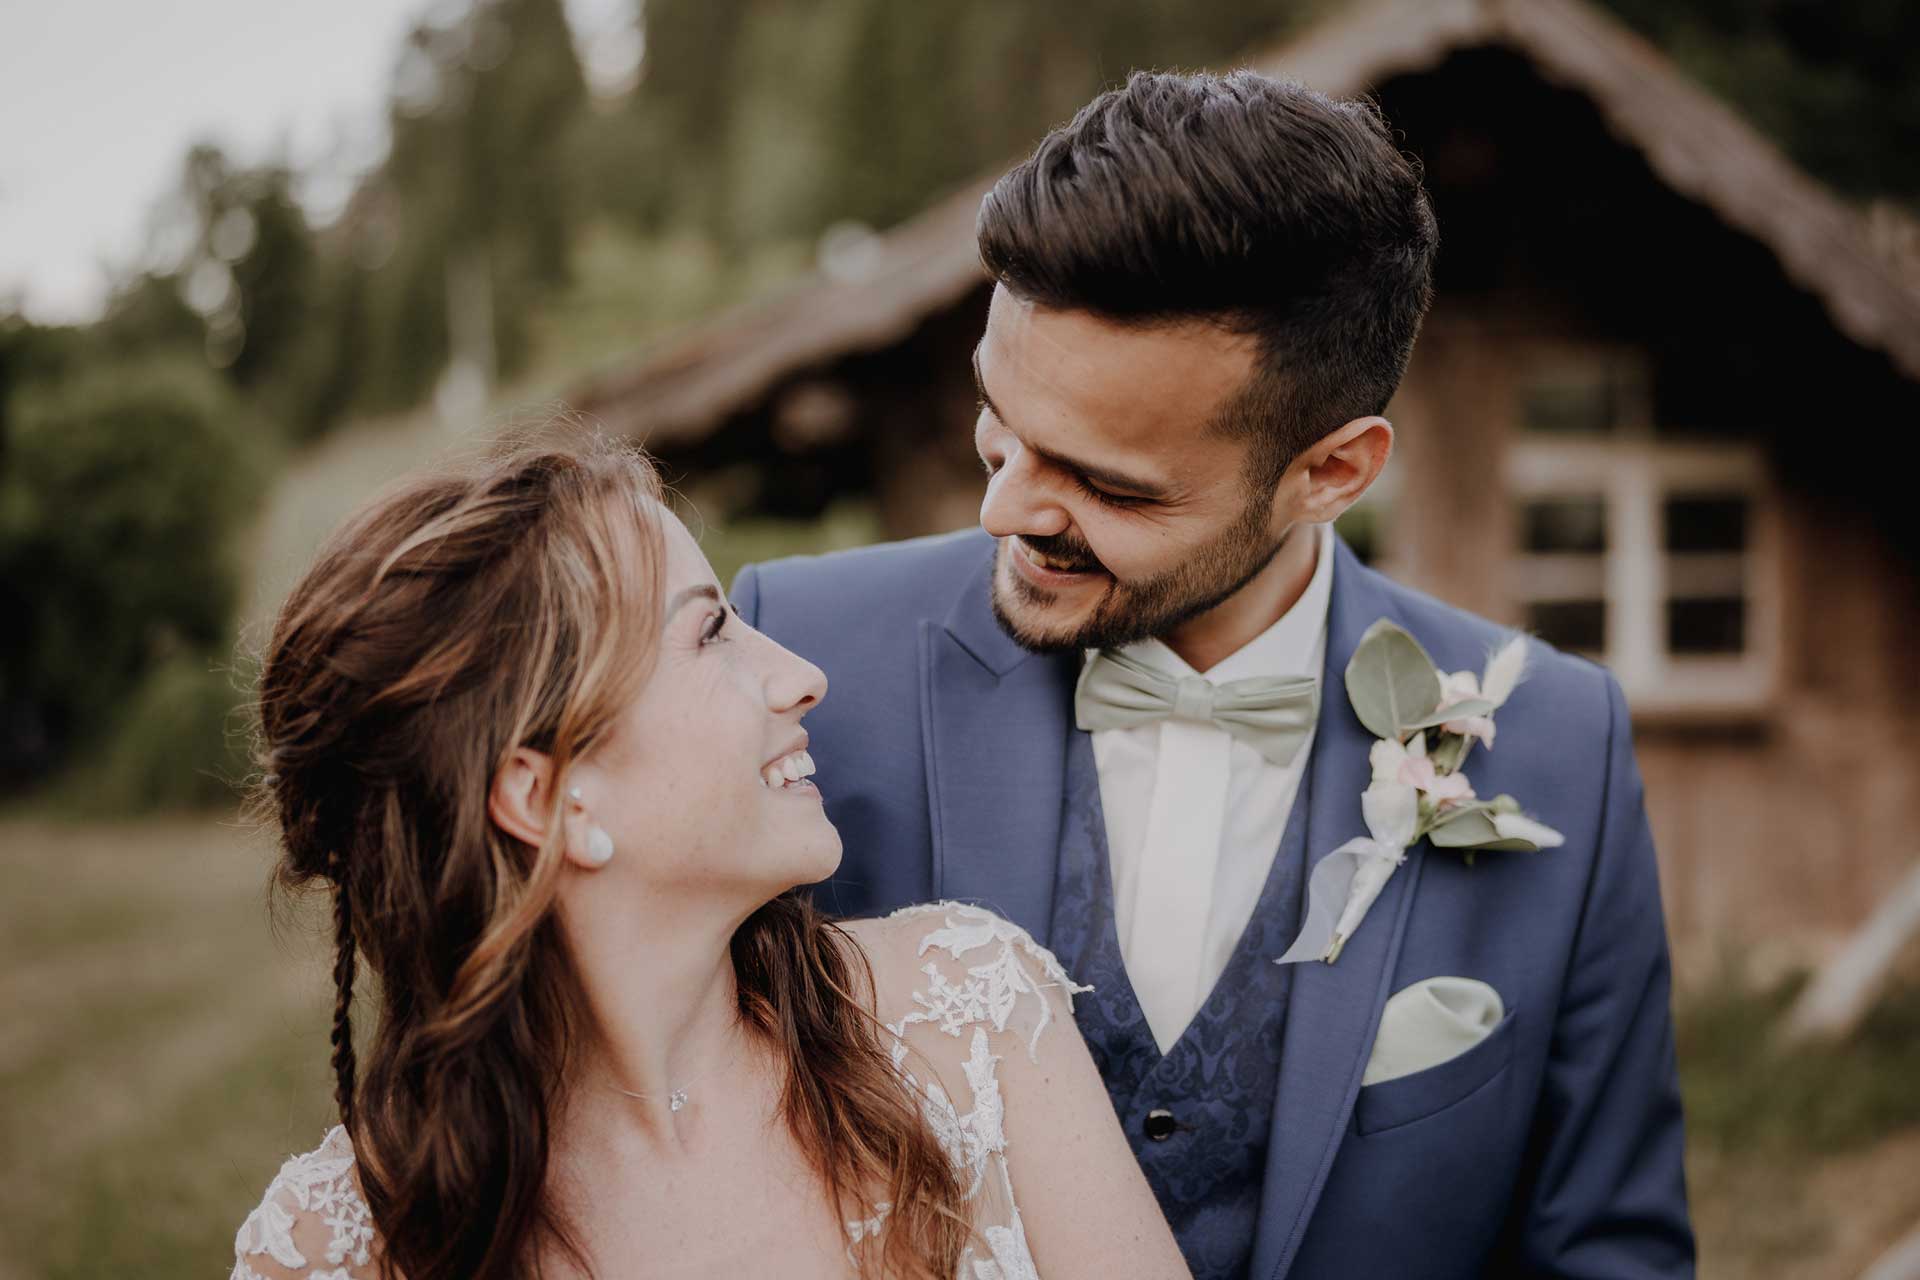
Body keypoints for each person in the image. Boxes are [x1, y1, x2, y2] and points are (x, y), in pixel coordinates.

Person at [732, 71, 1696, 1278]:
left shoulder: (1561, 745)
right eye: (1000, 419)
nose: (1006, 505)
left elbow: (1607, 1255)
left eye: (1110, 483)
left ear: (1333, 472)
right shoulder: (793, 658)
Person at [231, 437, 1190, 1280]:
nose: (802, 677)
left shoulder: (974, 1016)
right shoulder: (330, 1251)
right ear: (547, 795)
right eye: (710, 633)